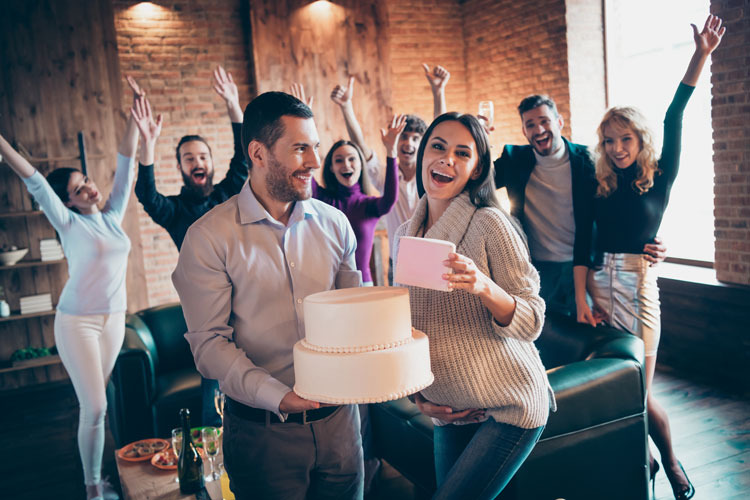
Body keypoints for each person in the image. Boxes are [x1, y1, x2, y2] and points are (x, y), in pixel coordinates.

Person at [171, 91, 364, 500]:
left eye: (315, 147)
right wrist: (282, 398)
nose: (314, 161)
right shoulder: (207, 238)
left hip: (342, 429)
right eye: (299, 148)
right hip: (263, 437)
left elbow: (355, 318)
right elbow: (209, 347)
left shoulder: (336, 225)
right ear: (258, 153)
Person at [575, 15, 725, 500]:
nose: (617, 148)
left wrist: (701, 55)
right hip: (600, 283)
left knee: (635, 392)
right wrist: (583, 295)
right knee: (617, 388)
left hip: (641, 288)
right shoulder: (596, 182)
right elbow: (583, 241)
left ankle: (667, 464)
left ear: (639, 140)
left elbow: (675, 115)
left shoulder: (659, 176)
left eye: (625, 139)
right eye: (610, 141)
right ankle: (644, 468)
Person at [394, 112, 553, 499]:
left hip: (510, 407)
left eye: (462, 153)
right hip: (449, 413)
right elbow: (411, 328)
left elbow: (532, 319)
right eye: (438, 146)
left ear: (477, 167)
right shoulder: (404, 235)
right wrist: (421, 398)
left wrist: (483, 286)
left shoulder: (489, 224)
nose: (447, 159)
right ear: (421, 155)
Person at [0, 80, 145, 500]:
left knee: (94, 409)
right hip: (77, 321)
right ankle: (92, 490)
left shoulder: (113, 215)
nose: (89, 188)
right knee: (96, 407)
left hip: (113, 320)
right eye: (78, 189)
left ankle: (98, 478)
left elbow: (126, 163)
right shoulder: (68, 224)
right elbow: (31, 178)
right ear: (69, 202)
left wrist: (134, 116)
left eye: (87, 181)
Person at [134, 65, 246, 427]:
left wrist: (234, 106)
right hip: (206, 312)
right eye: (188, 158)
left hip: (245, 299)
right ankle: (214, 466)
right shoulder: (175, 211)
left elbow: (244, 159)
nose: (197, 162)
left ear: (211, 163)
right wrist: (148, 145)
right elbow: (147, 195)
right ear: (181, 168)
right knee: (214, 387)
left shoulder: (230, 194)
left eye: (202, 156)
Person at [493, 95, 666, 317]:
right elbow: (473, 182)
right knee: (541, 340)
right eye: (530, 125)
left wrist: (650, 238)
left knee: (588, 333)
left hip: (585, 269)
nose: (539, 129)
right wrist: (479, 139)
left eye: (544, 121)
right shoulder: (513, 159)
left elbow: (628, 201)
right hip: (535, 271)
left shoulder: (590, 160)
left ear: (559, 122)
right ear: (524, 131)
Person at [330, 64, 449, 280]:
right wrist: (346, 106)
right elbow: (360, 145)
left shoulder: (433, 173)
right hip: (401, 258)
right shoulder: (385, 175)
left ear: (423, 143)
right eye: (404, 136)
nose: (408, 143)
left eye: (415, 138)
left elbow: (442, 132)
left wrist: (438, 91)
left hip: (434, 254)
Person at [311, 114, 405, 285]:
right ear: (331, 168)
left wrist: (391, 152)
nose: (346, 165)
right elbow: (308, 170)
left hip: (363, 285)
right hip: (327, 286)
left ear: (361, 164)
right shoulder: (321, 199)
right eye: (339, 160)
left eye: (352, 159)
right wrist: (309, 132)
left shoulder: (369, 206)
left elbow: (390, 199)